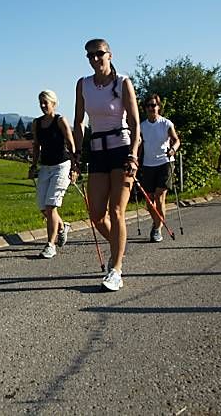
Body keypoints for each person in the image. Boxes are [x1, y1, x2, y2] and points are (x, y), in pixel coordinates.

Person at [73, 38, 141, 291]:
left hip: (122, 149)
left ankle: (116, 269)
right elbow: (79, 122)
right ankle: (118, 245)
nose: (94, 59)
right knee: (96, 215)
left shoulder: (123, 83)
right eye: (89, 55)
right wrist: (76, 154)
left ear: (109, 55)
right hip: (97, 151)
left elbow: (135, 123)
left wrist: (134, 154)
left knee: (116, 211)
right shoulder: (83, 84)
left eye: (98, 54)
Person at [29, 90, 75, 259]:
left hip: (62, 166)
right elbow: (36, 146)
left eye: (45, 103)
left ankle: (50, 245)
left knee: (51, 206)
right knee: (43, 206)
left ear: (53, 104)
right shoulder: (37, 123)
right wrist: (33, 165)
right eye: (40, 102)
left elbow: (70, 143)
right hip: (45, 167)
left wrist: (74, 166)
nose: (42, 106)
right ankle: (62, 227)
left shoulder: (60, 120)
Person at [139, 94, 180, 242]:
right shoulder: (142, 126)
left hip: (165, 163)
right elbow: (139, 145)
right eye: (148, 106)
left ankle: (157, 229)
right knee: (149, 201)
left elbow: (176, 140)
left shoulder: (166, 123)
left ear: (158, 107)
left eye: (154, 105)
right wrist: (135, 160)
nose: (151, 108)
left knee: (159, 197)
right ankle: (156, 223)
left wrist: (173, 150)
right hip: (148, 164)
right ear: (145, 109)